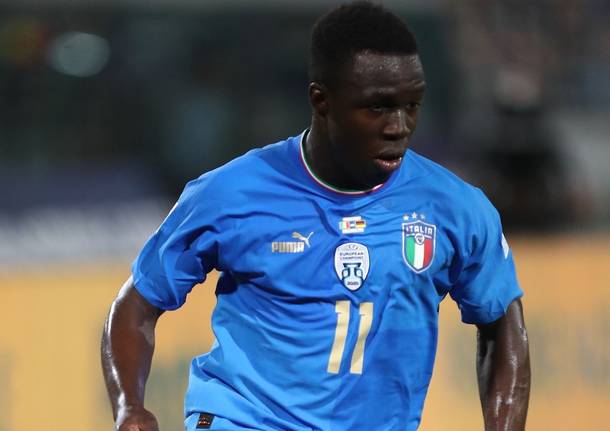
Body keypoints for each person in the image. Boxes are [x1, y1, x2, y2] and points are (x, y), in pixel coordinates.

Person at [101, 2, 531, 430]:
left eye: (412, 105)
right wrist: (129, 406)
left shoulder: (454, 207)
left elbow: (502, 324)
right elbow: (137, 304)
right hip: (245, 419)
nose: (399, 126)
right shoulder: (232, 192)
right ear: (321, 100)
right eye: (378, 107)